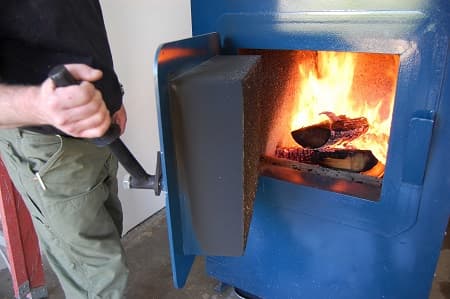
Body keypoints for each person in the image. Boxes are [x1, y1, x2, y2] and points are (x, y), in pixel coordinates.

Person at [0, 1, 129, 298]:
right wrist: (40, 107)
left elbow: (75, 25)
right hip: (48, 144)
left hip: (101, 128)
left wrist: (112, 93)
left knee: (108, 240)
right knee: (98, 277)